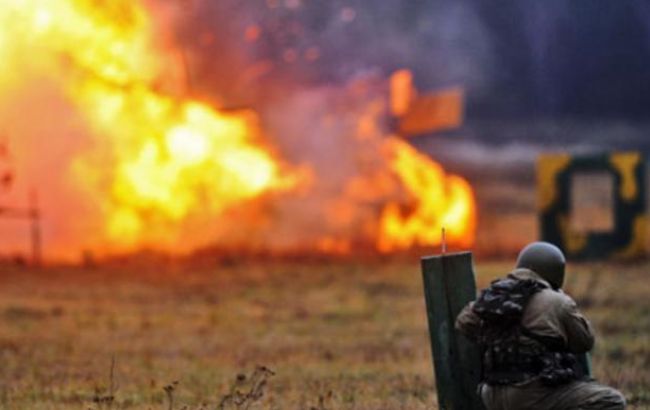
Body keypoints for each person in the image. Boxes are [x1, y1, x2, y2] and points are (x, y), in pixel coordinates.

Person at [455, 241, 626, 410]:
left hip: (490, 394)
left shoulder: (494, 296)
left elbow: (463, 322)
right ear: (556, 271)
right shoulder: (557, 301)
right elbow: (585, 342)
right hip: (533, 394)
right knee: (612, 400)